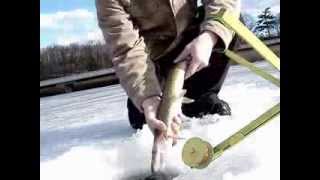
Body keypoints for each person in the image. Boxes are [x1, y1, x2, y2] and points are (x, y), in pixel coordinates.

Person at [96, 0, 241, 140]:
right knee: (142, 119)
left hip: (191, 41)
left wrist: (209, 37)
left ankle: (200, 96)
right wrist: (148, 97)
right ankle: (157, 97)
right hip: (152, 64)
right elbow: (126, 49)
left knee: (227, 21)